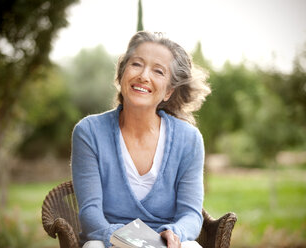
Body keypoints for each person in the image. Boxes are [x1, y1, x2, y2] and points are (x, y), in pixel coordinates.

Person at [71, 31, 211, 248]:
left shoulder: (189, 139)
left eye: (158, 71)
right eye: (136, 64)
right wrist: (126, 241)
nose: (144, 76)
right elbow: (90, 214)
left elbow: (191, 215)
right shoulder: (89, 132)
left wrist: (174, 233)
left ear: (168, 92)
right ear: (121, 74)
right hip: (109, 241)